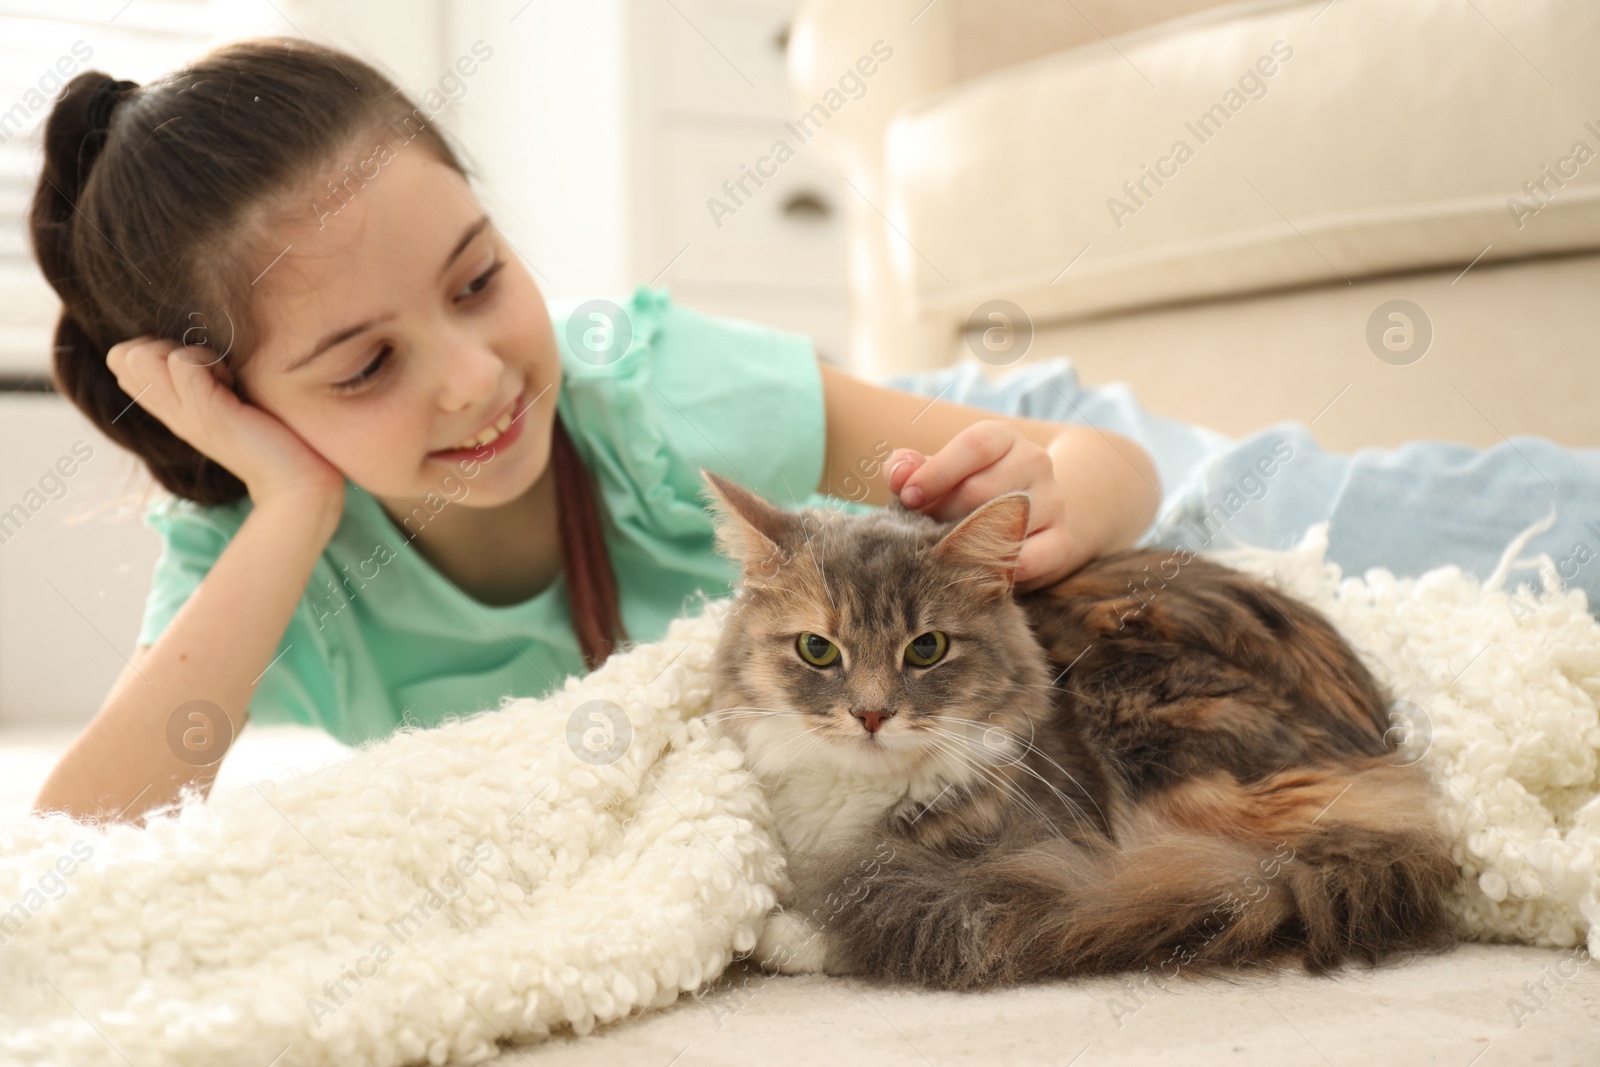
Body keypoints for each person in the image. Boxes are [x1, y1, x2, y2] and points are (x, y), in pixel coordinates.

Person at [26, 38, 1160, 826]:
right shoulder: (261, 551)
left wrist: (1066, 502)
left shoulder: (657, 395)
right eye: (368, 363)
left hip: (1065, 446)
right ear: (237, 404)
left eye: (477, 279)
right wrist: (291, 502)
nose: (475, 378)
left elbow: (1093, 459)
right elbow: (83, 836)